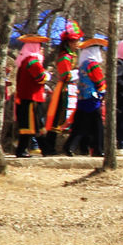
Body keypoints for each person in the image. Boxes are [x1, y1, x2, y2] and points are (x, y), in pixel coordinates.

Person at [43, 20, 82, 156]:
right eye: (75, 41)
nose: (78, 44)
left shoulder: (72, 56)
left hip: (71, 88)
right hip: (64, 89)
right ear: (69, 43)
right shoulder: (64, 57)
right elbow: (66, 75)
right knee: (58, 119)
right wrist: (78, 73)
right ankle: (49, 147)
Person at [65, 38, 107, 156]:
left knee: (81, 125)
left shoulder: (83, 65)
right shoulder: (93, 65)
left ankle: (70, 146)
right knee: (98, 125)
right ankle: (99, 149)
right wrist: (103, 92)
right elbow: (99, 81)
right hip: (93, 99)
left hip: (82, 98)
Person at [14, 34, 49, 158]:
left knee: (33, 125)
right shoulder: (33, 62)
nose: (42, 50)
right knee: (33, 125)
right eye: (40, 47)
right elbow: (40, 78)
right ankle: (24, 150)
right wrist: (47, 75)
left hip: (26, 97)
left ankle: (44, 149)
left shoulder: (24, 62)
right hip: (32, 98)